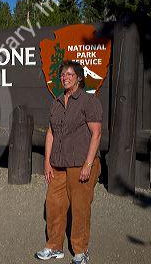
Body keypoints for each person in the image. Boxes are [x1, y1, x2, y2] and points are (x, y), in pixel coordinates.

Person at [35, 60, 103, 264]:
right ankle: (54, 247)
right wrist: (47, 162)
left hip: (81, 163)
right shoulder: (56, 102)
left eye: (69, 74)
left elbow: (96, 133)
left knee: (80, 208)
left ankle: (81, 251)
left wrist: (88, 165)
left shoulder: (88, 101)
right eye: (62, 74)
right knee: (54, 205)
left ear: (79, 78)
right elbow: (50, 133)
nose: (64, 77)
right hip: (58, 163)